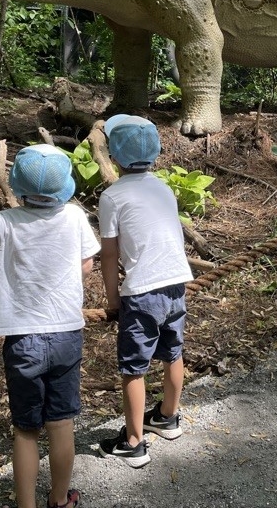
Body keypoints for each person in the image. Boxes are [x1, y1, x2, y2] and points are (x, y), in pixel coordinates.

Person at [0, 143, 99, 508]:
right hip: (66, 332)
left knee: (25, 429)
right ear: (64, 186)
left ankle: (25, 505)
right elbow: (87, 265)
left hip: (23, 340)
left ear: (18, 187)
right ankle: (59, 499)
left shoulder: (6, 220)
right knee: (61, 423)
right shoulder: (74, 216)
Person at [97, 114, 192, 468]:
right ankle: (167, 417)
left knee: (133, 367)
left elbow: (109, 253)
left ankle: (134, 442)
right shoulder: (163, 187)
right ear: (154, 153)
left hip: (143, 292)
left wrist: (112, 298)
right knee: (173, 352)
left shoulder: (112, 196)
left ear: (115, 157)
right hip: (176, 284)